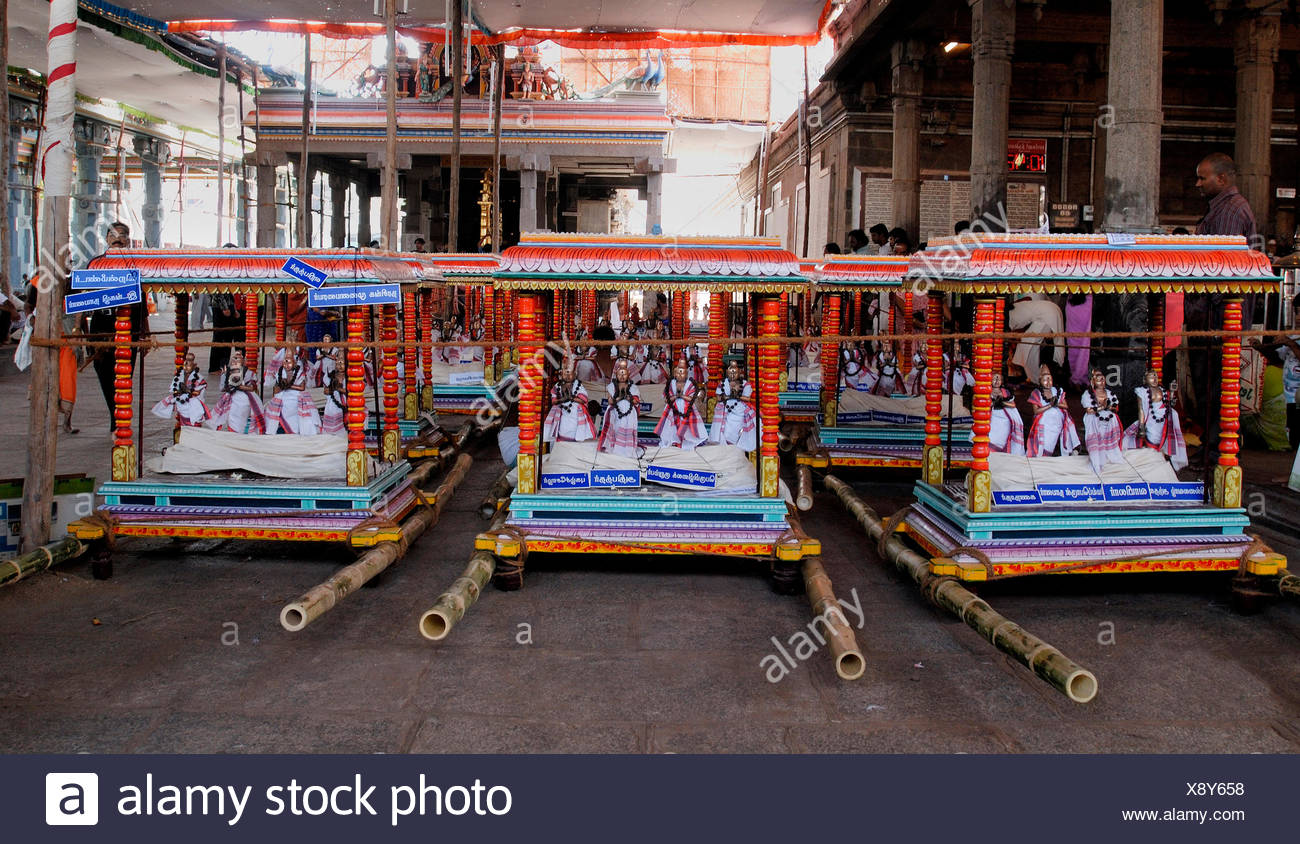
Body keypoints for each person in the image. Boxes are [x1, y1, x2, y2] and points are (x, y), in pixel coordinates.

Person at [1123, 368, 1187, 470]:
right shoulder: (1142, 392)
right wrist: (1142, 426)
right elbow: (1141, 410)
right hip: (1151, 421)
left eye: (1156, 376)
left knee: (1163, 440)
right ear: (1145, 379)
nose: (1155, 379)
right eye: (1151, 377)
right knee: (1152, 440)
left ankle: (1161, 462)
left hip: (1163, 420)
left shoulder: (1162, 389)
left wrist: (1171, 392)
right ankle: (1153, 463)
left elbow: (1169, 404)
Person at [264, 341, 322, 435]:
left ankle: (295, 431)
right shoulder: (280, 371)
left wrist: (288, 386)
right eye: (285, 361)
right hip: (283, 395)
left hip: (296, 395)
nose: (286, 364)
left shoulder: (299, 371)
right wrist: (280, 390)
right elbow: (277, 387)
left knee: (296, 408)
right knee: (271, 407)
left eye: (289, 361)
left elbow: (302, 387)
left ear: (294, 362)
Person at [1008, 295, 1065, 384]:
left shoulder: (1008, 315)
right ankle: (1035, 378)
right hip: (1050, 310)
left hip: (1048, 314)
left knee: (1027, 346)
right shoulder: (1015, 306)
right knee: (1027, 345)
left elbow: (1014, 333)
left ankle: (1035, 380)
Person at [1026, 365, 1080, 457]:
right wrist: (1050, 405)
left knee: (1051, 442)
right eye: (1045, 379)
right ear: (1040, 380)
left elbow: (1065, 406)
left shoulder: (1057, 390)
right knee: (1044, 444)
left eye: (1050, 379)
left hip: (1057, 421)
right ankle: (1042, 456)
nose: (1048, 382)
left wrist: (1056, 404)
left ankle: (1069, 450)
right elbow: (1036, 411)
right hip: (1044, 421)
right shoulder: (1036, 393)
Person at [207, 351, 266, 434]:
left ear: (243, 362)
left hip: (245, 398)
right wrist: (228, 385)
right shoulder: (227, 373)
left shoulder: (249, 373)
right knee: (231, 416)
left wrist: (240, 386)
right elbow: (222, 388)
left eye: (238, 360)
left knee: (242, 417)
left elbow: (253, 388)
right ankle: (233, 431)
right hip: (231, 398)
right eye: (234, 359)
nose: (235, 362)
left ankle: (240, 432)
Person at [654, 358, 706, 449]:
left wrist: (681, 396)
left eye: (682, 373)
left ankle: (686, 441)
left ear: (687, 374)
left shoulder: (690, 384)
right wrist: (675, 397)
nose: (680, 375)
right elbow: (666, 399)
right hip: (672, 408)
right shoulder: (671, 383)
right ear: (675, 373)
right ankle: (673, 441)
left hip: (687, 409)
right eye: (678, 373)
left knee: (687, 428)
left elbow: (692, 399)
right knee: (672, 426)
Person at [1081, 367, 1125, 474]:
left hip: (1108, 418)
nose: (1101, 382)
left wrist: (1108, 407)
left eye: (1103, 379)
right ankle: (1097, 461)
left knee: (1113, 418)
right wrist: (1102, 407)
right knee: (1094, 422)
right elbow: (1089, 410)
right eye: (1098, 380)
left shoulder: (1109, 393)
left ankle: (1111, 456)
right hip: (1094, 418)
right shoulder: (1087, 394)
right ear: (1093, 382)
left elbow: (1115, 408)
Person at [543, 357, 596, 444]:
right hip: (562, 413)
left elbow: (583, 400)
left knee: (574, 430)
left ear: (575, 374)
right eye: (565, 374)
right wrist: (562, 399)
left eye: (570, 374)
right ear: (561, 374)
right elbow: (553, 401)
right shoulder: (558, 386)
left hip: (575, 413)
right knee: (562, 429)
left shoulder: (578, 385)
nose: (567, 376)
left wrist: (572, 398)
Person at [151, 351, 209, 427]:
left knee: (194, 423)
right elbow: (174, 390)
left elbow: (197, 392)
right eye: (185, 365)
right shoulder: (179, 376)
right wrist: (179, 391)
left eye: (189, 365)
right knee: (183, 422)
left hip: (194, 404)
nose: (186, 367)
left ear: (194, 366)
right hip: (182, 403)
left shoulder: (199, 378)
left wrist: (187, 390)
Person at [709, 359, 757, 451]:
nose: (732, 375)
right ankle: (725, 449)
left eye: (735, 373)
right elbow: (718, 398)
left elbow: (747, 398)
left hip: (739, 410)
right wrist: (726, 397)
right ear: (727, 373)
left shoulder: (745, 384)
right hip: (726, 410)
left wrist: (737, 396)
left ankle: (737, 448)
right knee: (725, 431)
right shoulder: (723, 383)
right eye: (730, 373)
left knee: (738, 431)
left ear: (739, 372)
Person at [596, 358, 640, 456]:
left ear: (628, 374)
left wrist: (629, 398)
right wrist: (619, 399)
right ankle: (616, 448)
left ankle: (628, 450)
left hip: (629, 413)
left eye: (624, 374)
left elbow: (636, 401)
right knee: (616, 428)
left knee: (628, 428)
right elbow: (610, 401)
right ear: (616, 374)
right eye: (620, 374)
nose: (622, 376)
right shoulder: (611, 386)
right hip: (616, 412)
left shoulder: (633, 387)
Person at [987, 372, 1024, 455]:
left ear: (1002, 381)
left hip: (1004, 417)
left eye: (999, 379)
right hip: (992, 416)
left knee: (1003, 436)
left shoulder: (1005, 392)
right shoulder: (987, 391)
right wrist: (993, 403)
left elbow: (1013, 405)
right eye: (994, 379)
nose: (996, 381)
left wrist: (1002, 402)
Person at [321, 369, 347, 436]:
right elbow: (325, 391)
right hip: (332, 403)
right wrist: (334, 389)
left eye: (341, 362)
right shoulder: (330, 376)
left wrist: (338, 389)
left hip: (345, 402)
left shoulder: (349, 376)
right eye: (337, 362)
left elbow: (350, 391)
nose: (339, 364)